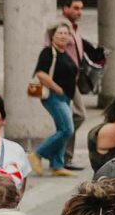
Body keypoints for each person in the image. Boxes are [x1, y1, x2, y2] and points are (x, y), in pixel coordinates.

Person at [32, 21, 87, 176]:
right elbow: (40, 73)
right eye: (60, 33)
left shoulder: (65, 53)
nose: (63, 36)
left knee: (62, 129)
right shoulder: (48, 52)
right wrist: (56, 87)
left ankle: (57, 165)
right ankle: (38, 154)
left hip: (66, 98)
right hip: (54, 97)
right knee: (67, 129)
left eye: (66, 33)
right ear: (52, 36)